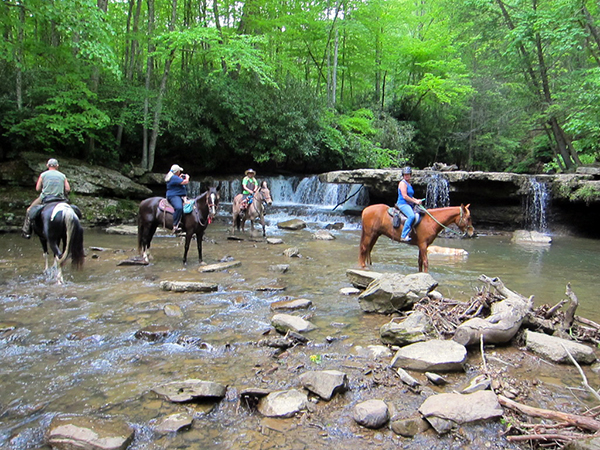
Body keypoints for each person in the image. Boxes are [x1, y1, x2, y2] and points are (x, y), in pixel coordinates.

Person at [22, 158, 71, 239]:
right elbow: (68, 189)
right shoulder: (62, 176)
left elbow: (37, 188)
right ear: (57, 166)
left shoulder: (43, 175)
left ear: (47, 165)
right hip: (59, 198)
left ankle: (26, 231)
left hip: (45, 197)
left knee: (29, 210)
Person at [395, 166, 422, 242]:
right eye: (405, 174)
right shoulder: (403, 183)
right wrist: (415, 202)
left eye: (408, 174)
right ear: (403, 175)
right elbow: (405, 196)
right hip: (403, 204)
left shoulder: (409, 184)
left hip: (409, 204)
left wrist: (417, 200)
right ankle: (403, 235)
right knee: (411, 216)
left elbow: (410, 196)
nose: (407, 176)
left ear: (410, 175)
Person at [165, 164, 189, 232]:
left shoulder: (174, 177)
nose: (180, 173)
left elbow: (178, 182)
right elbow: (185, 182)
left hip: (178, 195)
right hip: (173, 196)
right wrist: (187, 177)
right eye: (179, 171)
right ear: (177, 172)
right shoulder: (174, 178)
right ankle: (175, 225)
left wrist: (180, 177)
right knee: (179, 208)